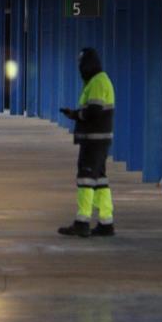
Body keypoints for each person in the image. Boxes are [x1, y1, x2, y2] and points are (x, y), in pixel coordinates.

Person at [57, 47, 116, 237]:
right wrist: (74, 114)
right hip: (98, 139)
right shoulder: (98, 80)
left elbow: (94, 111)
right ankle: (106, 222)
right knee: (99, 180)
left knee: (86, 178)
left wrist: (77, 115)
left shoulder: (97, 82)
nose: (79, 67)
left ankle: (82, 221)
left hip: (94, 140)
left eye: (81, 63)